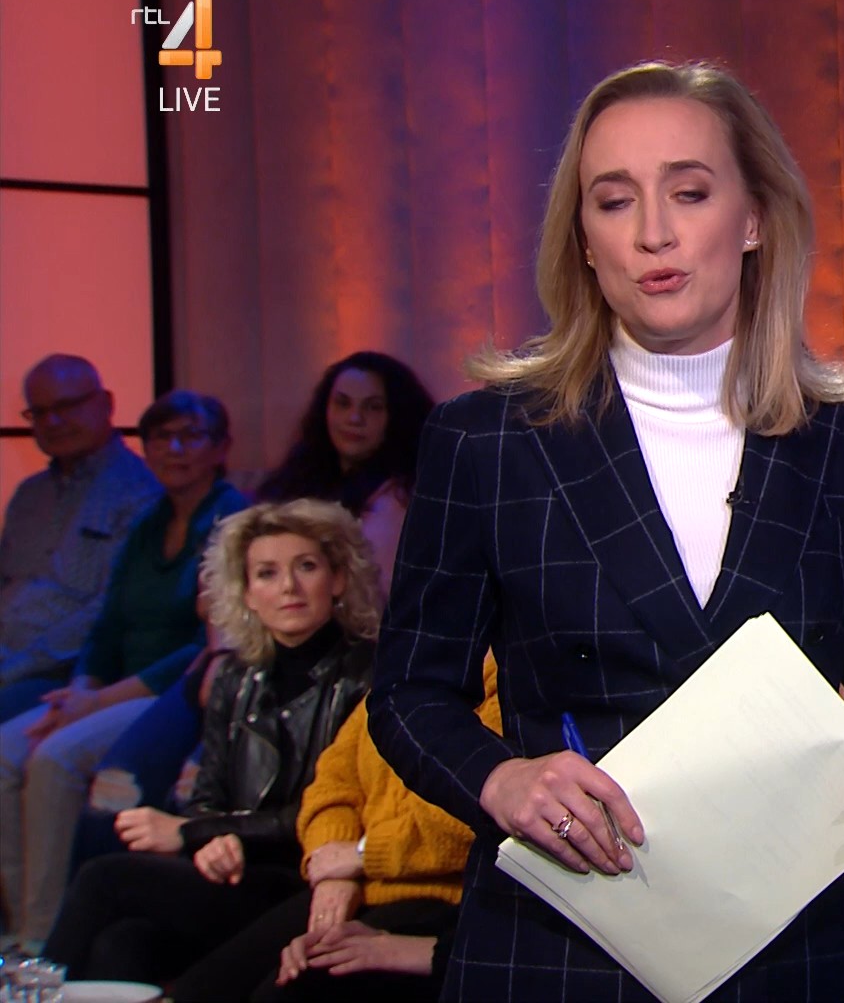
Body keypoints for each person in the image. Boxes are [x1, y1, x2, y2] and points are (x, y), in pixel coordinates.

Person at [365, 58, 844, 1001]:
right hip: (557, 951)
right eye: (613, 201)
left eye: (689, 192)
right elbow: (408, 694)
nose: (652, 233)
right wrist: (502, 781)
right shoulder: (487, 441)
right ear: (584, 241)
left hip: (795, 954)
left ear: (754, 219)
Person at [43, 498, 379, 989]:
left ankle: (31, 992)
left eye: (306, 567)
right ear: (247, 593)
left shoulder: (370, 675)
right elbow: (208, 797)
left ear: (339, 579)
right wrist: (212, 841)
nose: (288, 586)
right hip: (236, 871)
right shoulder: (234, 678)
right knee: (124, 942)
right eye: (266, 573)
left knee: (104, 879)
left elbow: (326, 811)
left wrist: (191, 833)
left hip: (306, 877)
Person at [0, 389, 246, 947]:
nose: (174, 449)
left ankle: (44, 939)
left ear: (220, 448)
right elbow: (107, 622)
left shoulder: (233, 517)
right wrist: (81, 689)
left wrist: (96, 702)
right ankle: (14, 930)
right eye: (161, 437)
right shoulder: (148, 520)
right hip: (107, 688)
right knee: (7, 752)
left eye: (191, 436)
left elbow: (202, 645)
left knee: (55, 759)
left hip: (172, 691)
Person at [189, 656, 503, 1002]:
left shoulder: (503, 676)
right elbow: (330, 785)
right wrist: (333, 867)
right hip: (356, 882)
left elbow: (469, 816)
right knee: (205, 985)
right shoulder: (404, 668)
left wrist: (362, 855)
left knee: (293, 987)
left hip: (439, 896)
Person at [0, 354, 161, 721]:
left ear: (106, 404)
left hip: (63, 673)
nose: (52, 422)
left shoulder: (141, 492)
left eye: (66, 406)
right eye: (39, 412)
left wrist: (15, 666)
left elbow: (106, 610)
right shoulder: (29, 495)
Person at [254, 351, 435, 595]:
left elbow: (376, 594)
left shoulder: (400, 497)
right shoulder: (297, 480)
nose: (354, 418)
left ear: (397, 416)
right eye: (342, 403)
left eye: (373, 407)